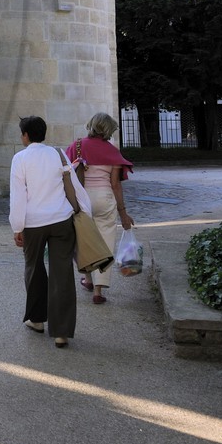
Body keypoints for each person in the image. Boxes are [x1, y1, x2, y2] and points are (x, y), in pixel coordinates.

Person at [10, 114, 91, 348]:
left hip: (33, 223)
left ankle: (37, 319)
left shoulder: (20, 158)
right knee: (62, 273)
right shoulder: (58, 154)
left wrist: (17, 227)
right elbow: (73, 185)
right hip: (61, 220)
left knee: (33, 268)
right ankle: (61, 332)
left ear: (25, 135)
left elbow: (18, 196)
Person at [65, 112, 134, 305]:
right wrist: (123, 213)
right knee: (105, 241)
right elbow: (116, 185)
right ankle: (98, 290)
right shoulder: (112, 152)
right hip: (104, 197)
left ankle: (87, 278)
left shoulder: (77, 146)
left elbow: (65, 174)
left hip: (82, 199)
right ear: (109, 130)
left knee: (84, 239)